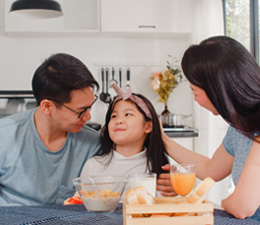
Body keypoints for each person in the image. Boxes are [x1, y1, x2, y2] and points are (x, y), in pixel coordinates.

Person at [162, 36, 260, 221]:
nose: (195, 99)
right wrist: (162, 139)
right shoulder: (240, 126)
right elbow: (210, 169)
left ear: (217, 90)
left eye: (194, 91)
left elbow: (241, 207)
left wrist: (223, 203)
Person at [0, 53, 101, 206]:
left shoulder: (93, 144)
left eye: (90, 107)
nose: (88, 117)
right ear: (47, 107)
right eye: (81, 111)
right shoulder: (4, 136)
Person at [65, 84, 175, 204]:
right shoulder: (93, 165)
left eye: (128, 114)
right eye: (114, 116)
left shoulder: (158, 168)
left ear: (148, 126)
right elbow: (80, 207)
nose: (119, 120)